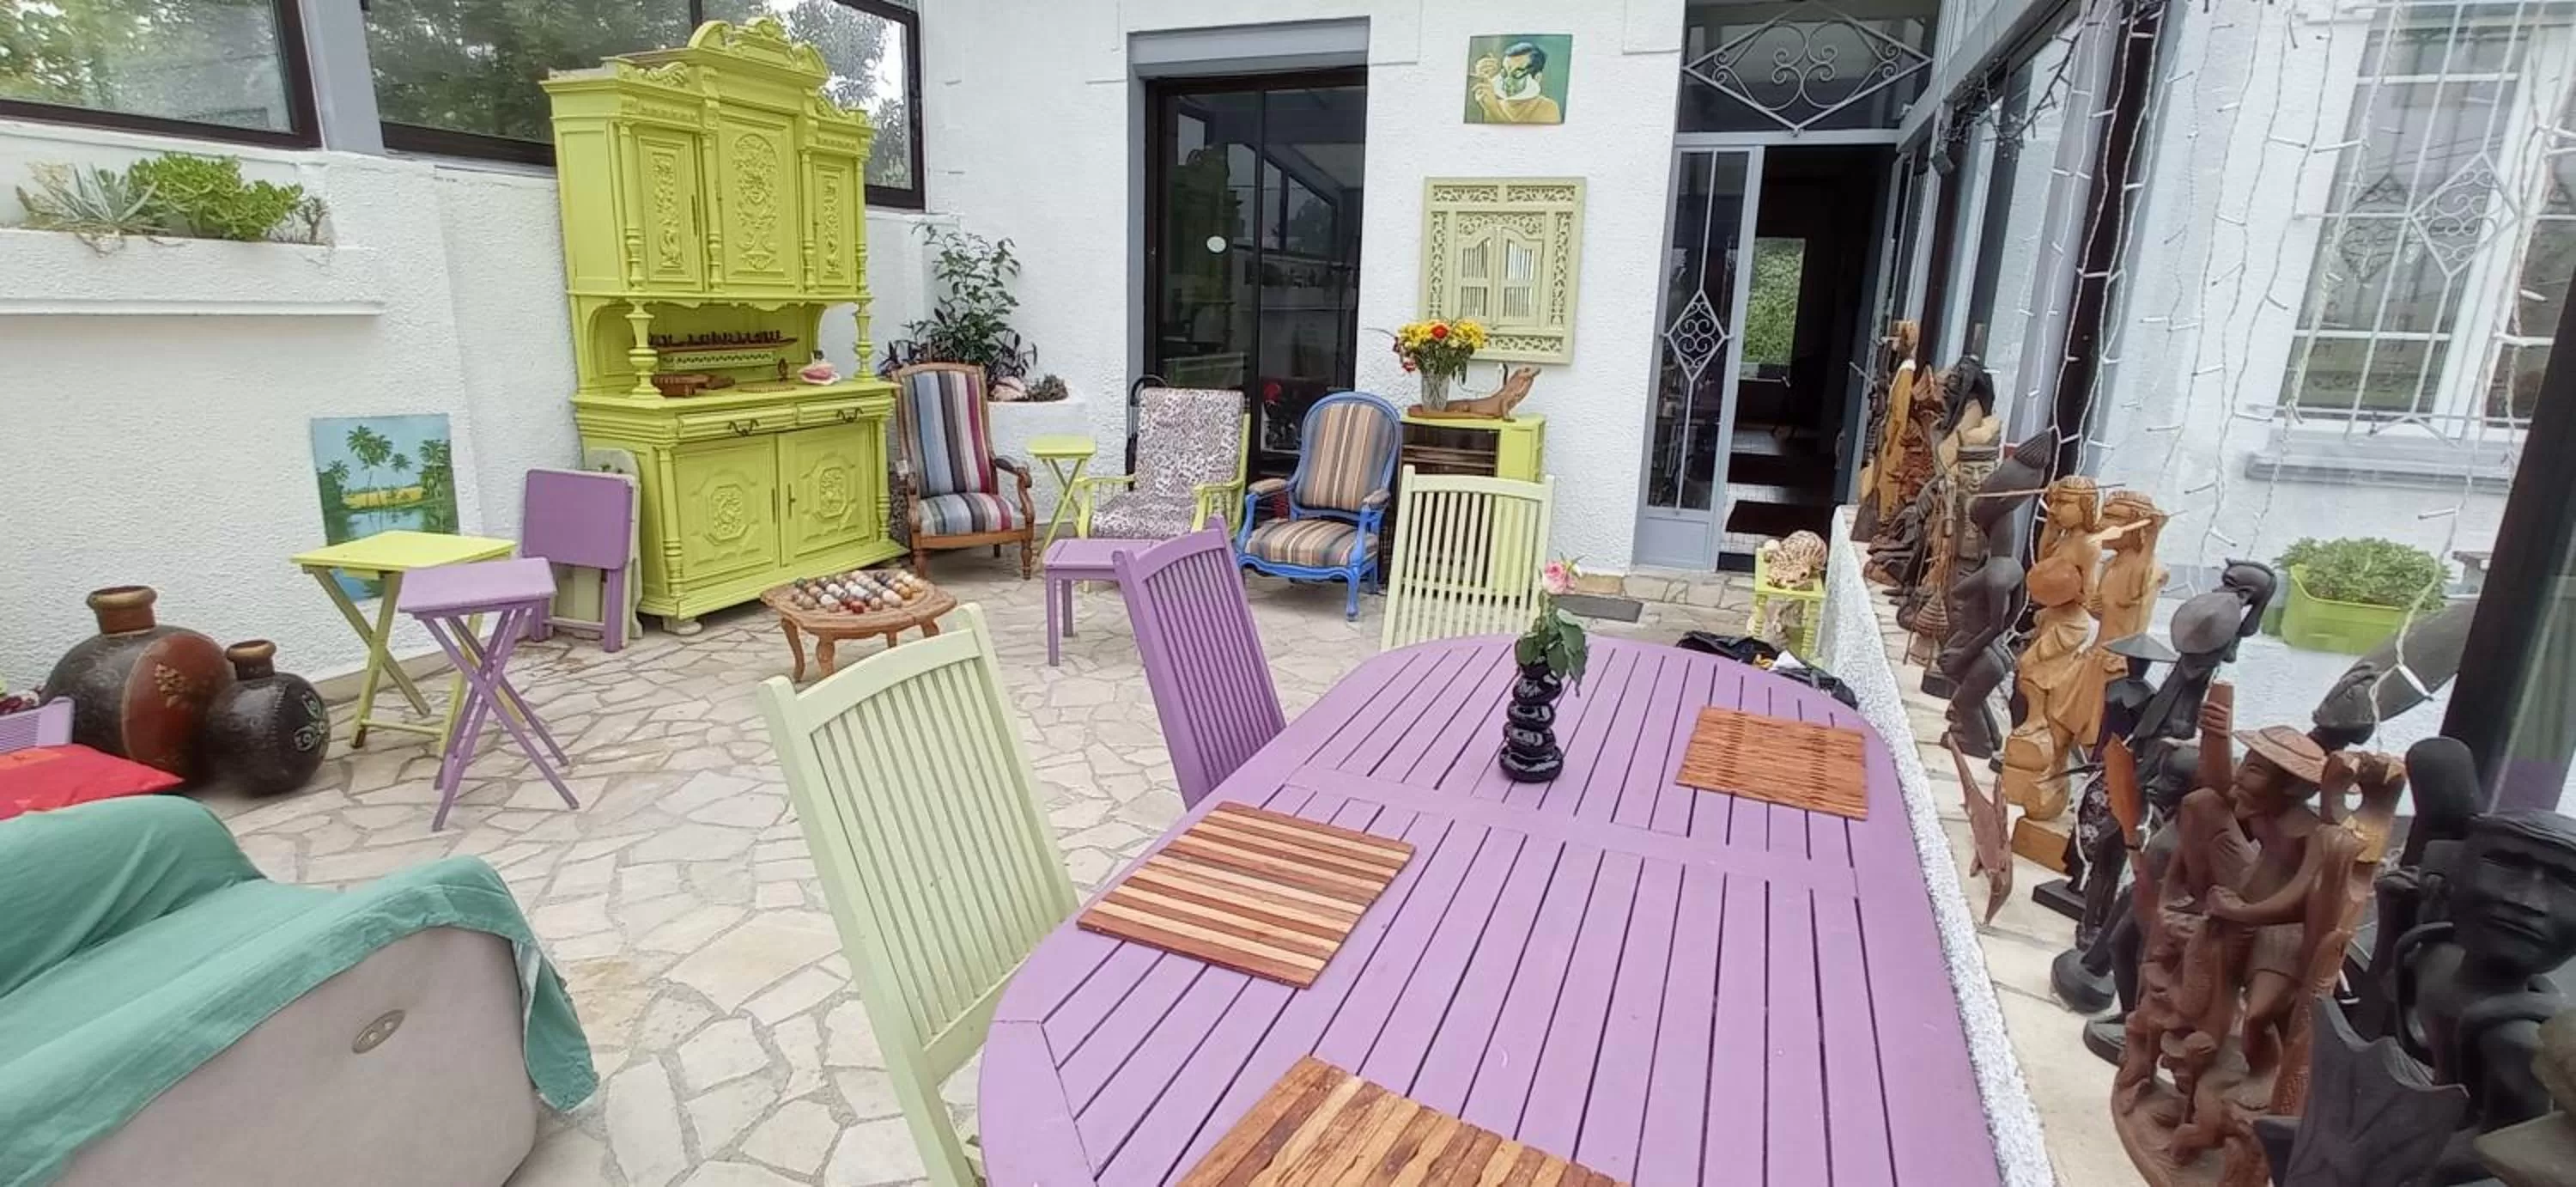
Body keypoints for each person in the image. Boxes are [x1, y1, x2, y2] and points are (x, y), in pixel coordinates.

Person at [1471, 41, 1562, 123]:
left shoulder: (1547, 107)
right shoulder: (1491, 101)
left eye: (1517, 73)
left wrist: (1493, 109)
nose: (1507, 81)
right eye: (1504, 72)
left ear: (1536, 78)